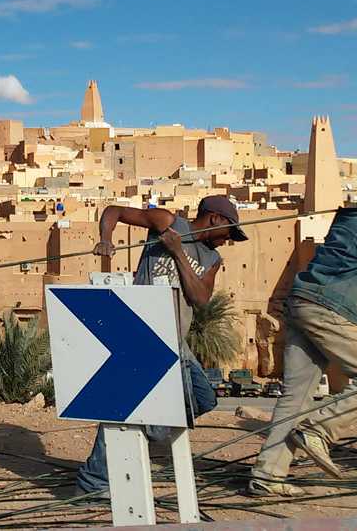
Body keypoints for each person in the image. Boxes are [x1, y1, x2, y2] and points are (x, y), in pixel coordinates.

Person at [249, 173, 357, 497]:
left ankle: (267, 475)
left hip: (301, 302)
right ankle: (317, 430)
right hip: (326, 309)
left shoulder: (351, 221)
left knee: (296, 396)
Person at [73, 195, 248, 497]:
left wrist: (178, 252)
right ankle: (93, 483)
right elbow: (114, 211)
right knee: (122, 405)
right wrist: (105, 239)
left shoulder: (212, 260)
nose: (228, 240)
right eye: (229, 231)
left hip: (175, 339)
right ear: (215, 218)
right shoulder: (167, 221)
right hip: (143, 331)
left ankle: (151, 425)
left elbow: (200, 299)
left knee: (204, 398)